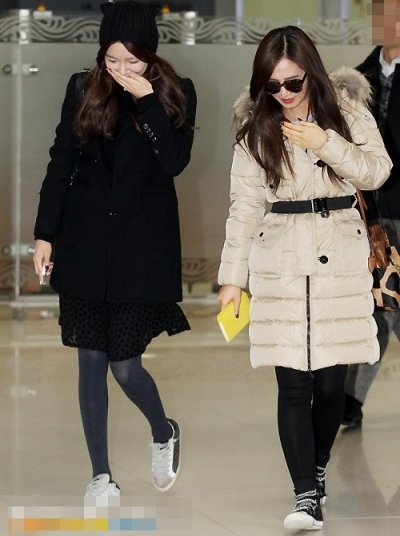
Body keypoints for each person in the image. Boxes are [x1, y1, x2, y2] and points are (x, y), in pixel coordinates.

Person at [217, 26, 391, 531]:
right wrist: (232, 278)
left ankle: (316, 468)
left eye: (293, 83)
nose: (284, 94)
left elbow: (376, 171)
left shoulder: (347, 112)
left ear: (311, 73)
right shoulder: (256, 128)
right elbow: (243, 208)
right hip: (281, 262)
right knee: (292, 382)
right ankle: (305, 494)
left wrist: (326, 142)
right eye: (272, 86)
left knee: (332, 385)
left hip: (340, 255)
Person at [32, 1, 196, 497]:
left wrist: (147, 101)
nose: (121, 70)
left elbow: (174, 162)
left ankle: (163, 430)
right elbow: (61, 161)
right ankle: (100, 476)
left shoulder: (178, 92)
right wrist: (45, 233)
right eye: (112, 60)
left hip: (140, 249)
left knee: (125, 366)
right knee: (90, 362)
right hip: (84, 241)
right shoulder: (82, 88)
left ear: (151, 55)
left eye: (132, 61)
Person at [343, 0, 400, 430]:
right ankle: (349, 401)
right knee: (373, 308)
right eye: (383, 12)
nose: (389, 22)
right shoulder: (356, 79)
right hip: (372, 213)